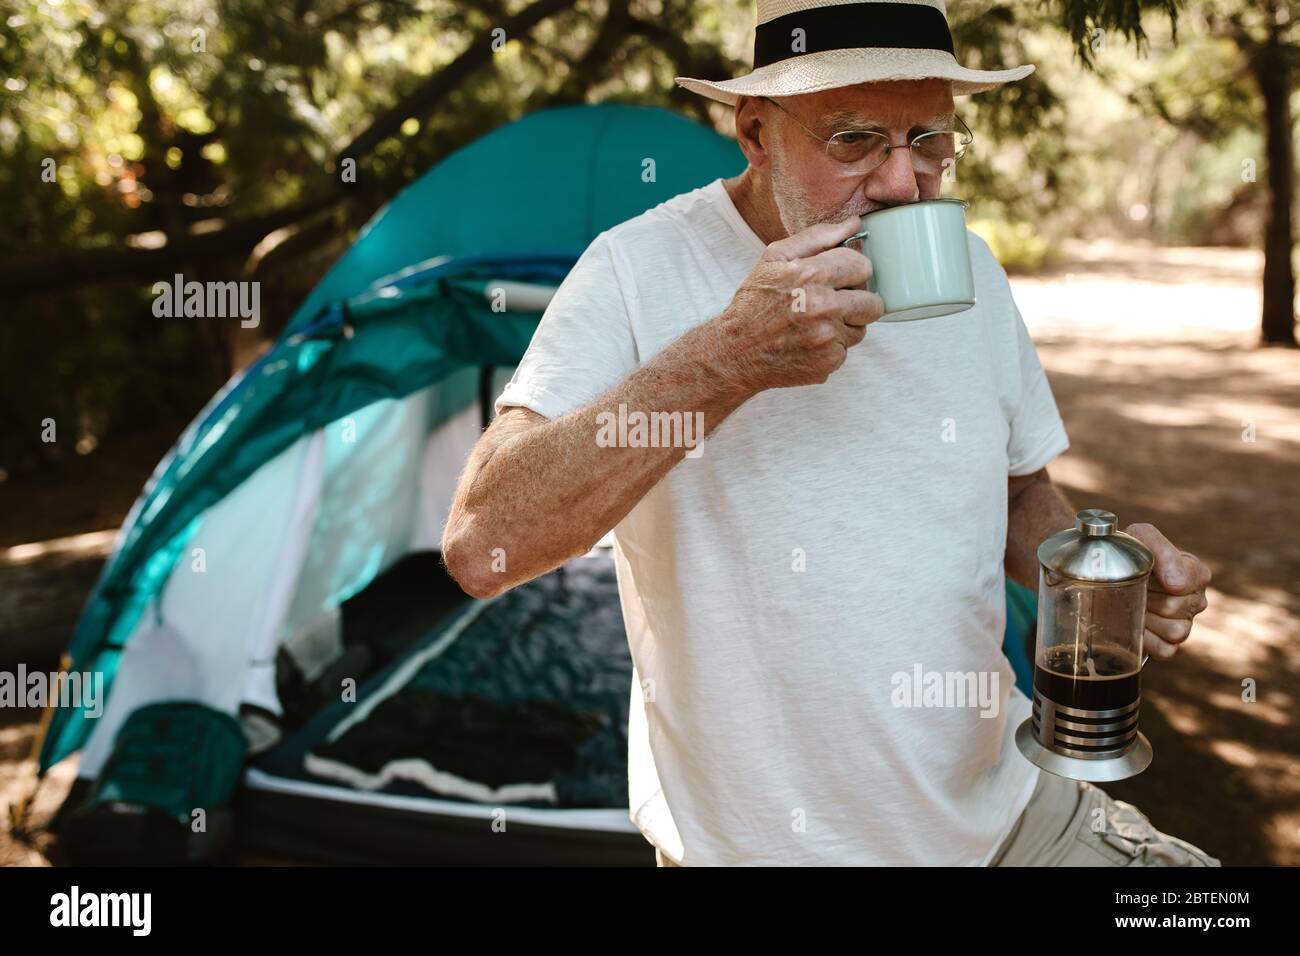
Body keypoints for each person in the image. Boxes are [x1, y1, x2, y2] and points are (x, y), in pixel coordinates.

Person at [442, 0, 1219, 867]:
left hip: (1010, 819)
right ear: (755, 132)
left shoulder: (975, 271)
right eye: (853, 140)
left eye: (930, 139)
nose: (901, 182)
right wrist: (723, 361)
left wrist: (1098, 574)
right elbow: (484, 544)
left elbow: (1017, 492)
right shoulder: (635, 269)